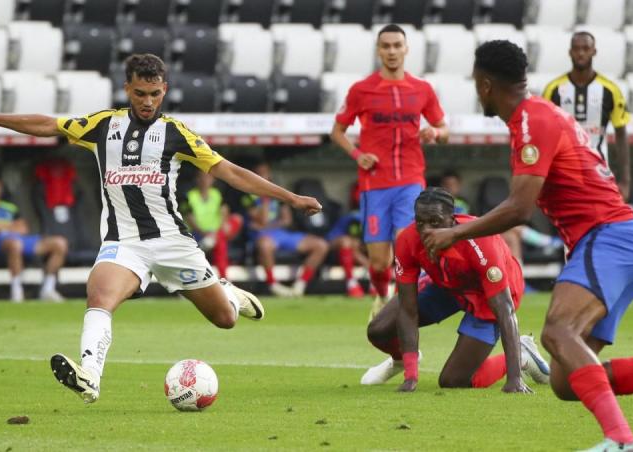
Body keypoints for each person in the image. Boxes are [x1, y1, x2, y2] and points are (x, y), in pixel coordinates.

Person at [0, 53, 322, 404]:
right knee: (99, 295)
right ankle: (90, 375)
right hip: (123, 242)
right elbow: (49, 124)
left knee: (225, 320)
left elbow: (230, 172)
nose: (147, 101)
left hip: (173, 243)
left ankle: (226, 292)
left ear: (165, 91)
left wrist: (290, 197)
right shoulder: (102, 126)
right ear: (127, 89)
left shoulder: (176, 134)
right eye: (140, 93)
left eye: (155, 94)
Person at [424, 41, 633, 451]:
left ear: (485, 84)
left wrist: (454, 232)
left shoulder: (533, 120)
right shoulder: (541, 117)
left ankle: (621, 440)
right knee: (565, 382)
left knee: (557, 332)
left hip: (608, 237)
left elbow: (519, 209)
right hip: (618, 241)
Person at [361, 188, 550, 392]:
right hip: (447, 286)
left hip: (488, 297)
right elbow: (407, 310)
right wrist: (411, 377)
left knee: (453, 381)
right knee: (379, 329)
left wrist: (514, 380)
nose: (426, 230)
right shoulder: (408, 240)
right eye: (420, 222)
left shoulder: (481, 244)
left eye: (435, 222)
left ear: (452, 220)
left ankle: (521, 355)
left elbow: (505, 311)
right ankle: (400, 360)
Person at [330, 24, 449, 318]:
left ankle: (404, 306)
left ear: (406, 49)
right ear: (378, 50)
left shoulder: (422, 89)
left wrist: (434, 133)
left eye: (397, 45)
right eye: (386, 46)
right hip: (374, 185)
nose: (392, 51)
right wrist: (358, 155)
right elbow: (337, 131)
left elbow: (444, 129)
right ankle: (381, 294)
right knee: (379, 260)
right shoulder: (362, 90)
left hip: (410, 179)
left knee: (406, 244)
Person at [543, 31, 632, 200]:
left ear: (594, 51)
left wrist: (625, 180)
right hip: (563, 172)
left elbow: (621, 134)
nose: (581, 53)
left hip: (598, 171)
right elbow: (543, 135)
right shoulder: (553, 90)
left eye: (586, 48)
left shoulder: (610, 90)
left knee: (599, 222)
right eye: (576, 49)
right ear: (570, 52)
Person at [0, 174, 69, 303]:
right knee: (15, 244)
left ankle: (48, 289)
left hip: (21, 239)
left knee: (60, 243)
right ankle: (17, 291)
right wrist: (11, 226)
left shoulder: (10, 207)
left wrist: (2, 226)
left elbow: (23, 228)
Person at [243, 160, 329, 297]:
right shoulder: (248, 196)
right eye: (259, 174)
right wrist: (264, 198)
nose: (263, 177)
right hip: (262, 235)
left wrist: (271, 224)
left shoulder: (276, 194)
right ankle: (273, 285)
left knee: (321, 245)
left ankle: (300, 285)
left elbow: (286, 220)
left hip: (280, 234)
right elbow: (262, 221)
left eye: (265, 174)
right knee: (264, 245)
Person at [179, 171, 243, 278]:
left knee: (236, 220)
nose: (205, 180)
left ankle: (213, 241)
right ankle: (224, 278)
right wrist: (205, 234)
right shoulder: (189, 196)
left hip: (215, 233)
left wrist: (223, 224)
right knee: (220, 242)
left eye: (208, 178)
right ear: (197, 179)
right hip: (196, 234)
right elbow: (190, 219)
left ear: (213, 180)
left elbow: (224, 211)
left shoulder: (217, 194)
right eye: (202, 177)